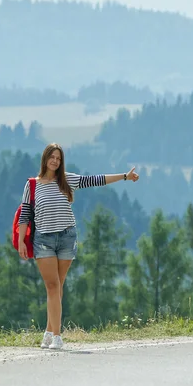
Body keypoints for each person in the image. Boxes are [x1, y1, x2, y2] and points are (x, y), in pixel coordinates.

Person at [18, 143, 139, 350]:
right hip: (44, 240)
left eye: (58, 158)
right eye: (52, 157)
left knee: (58, 286)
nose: (55, 161)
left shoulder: (67, 180)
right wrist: (21, 240)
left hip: (67, 237)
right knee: (52, 286)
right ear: (45, 158)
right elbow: (25, 214)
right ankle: (57, 336)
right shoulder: (32, 185)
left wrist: (124, 176)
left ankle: (48, 332)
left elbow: (96, 180)